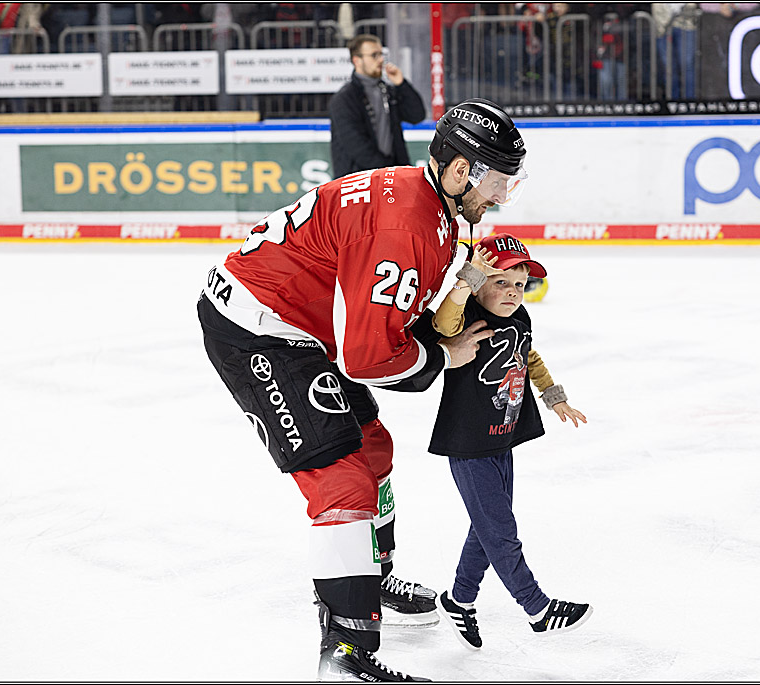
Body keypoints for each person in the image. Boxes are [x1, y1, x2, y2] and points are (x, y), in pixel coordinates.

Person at [197, 98, 530, 681]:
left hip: (300, 325)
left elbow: (391, 314)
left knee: (373, 447)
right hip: (258, 330)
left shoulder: (431, 205)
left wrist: (436, 328)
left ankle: (370, 581)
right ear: (460, 172)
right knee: (342, 477)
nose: (502, 197)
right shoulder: (407, 223)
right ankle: (345, 652)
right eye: (498, 181)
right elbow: (371, 355)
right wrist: (441, 356)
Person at [428, 233, 592, 651]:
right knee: (500, 530)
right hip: (468, 442)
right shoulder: (463, 317)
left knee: (486, 525)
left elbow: (529, 356)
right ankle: (537, 608)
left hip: (502, 433)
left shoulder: (521, 320)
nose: (512, 293)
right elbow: (442, 323)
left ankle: (459, 600)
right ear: (479, 282)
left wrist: (554, 397)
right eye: (501, 282)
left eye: (519, 285)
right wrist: (467, 279)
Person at [329, 34, 427, 179]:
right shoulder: (344, 99)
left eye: (381, 54)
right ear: (357, 60)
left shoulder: (388, 91)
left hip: (391, 176)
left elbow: (417, 115)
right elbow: (356, 145)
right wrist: (387, 170)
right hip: (358, 181)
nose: (381, 59)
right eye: (374, 55)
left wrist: (401, 84)